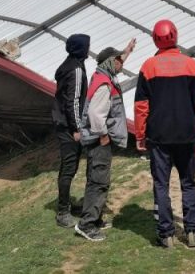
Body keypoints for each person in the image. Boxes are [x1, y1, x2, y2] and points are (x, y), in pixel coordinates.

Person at [134, 19, 195, 249]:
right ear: (175, 36)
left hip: (159, 137)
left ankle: (166, 235)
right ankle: (192, 232)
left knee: (161, 184)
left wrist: (140, 135)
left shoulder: (148, 67)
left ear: (155, 39)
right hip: (186, 135)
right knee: (188, 183)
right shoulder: (191, 65)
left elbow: (141, 106)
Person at [74, 39, 136, 242]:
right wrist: (103, 135)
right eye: (118, 59)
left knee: (97, 178)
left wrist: (127, 51)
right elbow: (95, 113)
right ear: (110, 62)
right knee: (99, 181)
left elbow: (116, 61)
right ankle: (87, 224)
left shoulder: (102, 74)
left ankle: (95, 217)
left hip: (95, 140)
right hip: (98, 141)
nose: (121, 62)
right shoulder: (103, 84)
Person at [52, 33, 91, 228]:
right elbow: (73, 101)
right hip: (68, 127)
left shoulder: (69, 64)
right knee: (68, 168)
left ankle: (66, 204)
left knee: (70, 167)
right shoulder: (75, 69)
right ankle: (63, 212)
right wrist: (76, 128)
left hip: (63, 123)